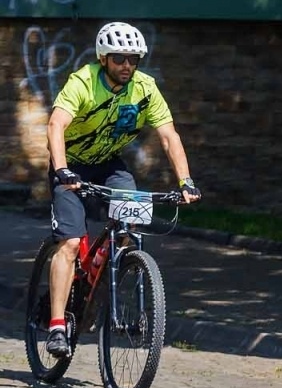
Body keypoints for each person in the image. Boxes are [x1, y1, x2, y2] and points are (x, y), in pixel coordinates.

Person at [43, 21, 198, 357]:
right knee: (70, 243)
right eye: (119, 58)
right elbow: (56, 125)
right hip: (71, 165)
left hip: (109, 165)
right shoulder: (83, 81)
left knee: (131, 225)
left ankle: (101, 270)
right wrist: (62, 169)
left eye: (133, 59)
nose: (127, 65)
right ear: (104, 59)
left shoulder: (145, 88)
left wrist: (185, 181)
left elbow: (169, 136)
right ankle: (56, 326)